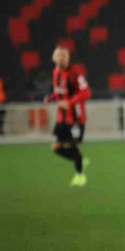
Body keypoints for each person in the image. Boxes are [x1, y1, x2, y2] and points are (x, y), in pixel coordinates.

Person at [44, 46, 91, 186]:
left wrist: (70, 103)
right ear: (53, 58)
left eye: (64, 55)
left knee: (71, 146)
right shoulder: (55, 72)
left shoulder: (75, 74)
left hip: (75, 119)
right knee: (56, 147)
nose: (61, 58)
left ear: (68, 58)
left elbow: (86, 92)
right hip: (62, 118)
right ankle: (80, 161)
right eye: (59, 55)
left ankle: (80, 176)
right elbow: (60, 92)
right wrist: (51, 98)